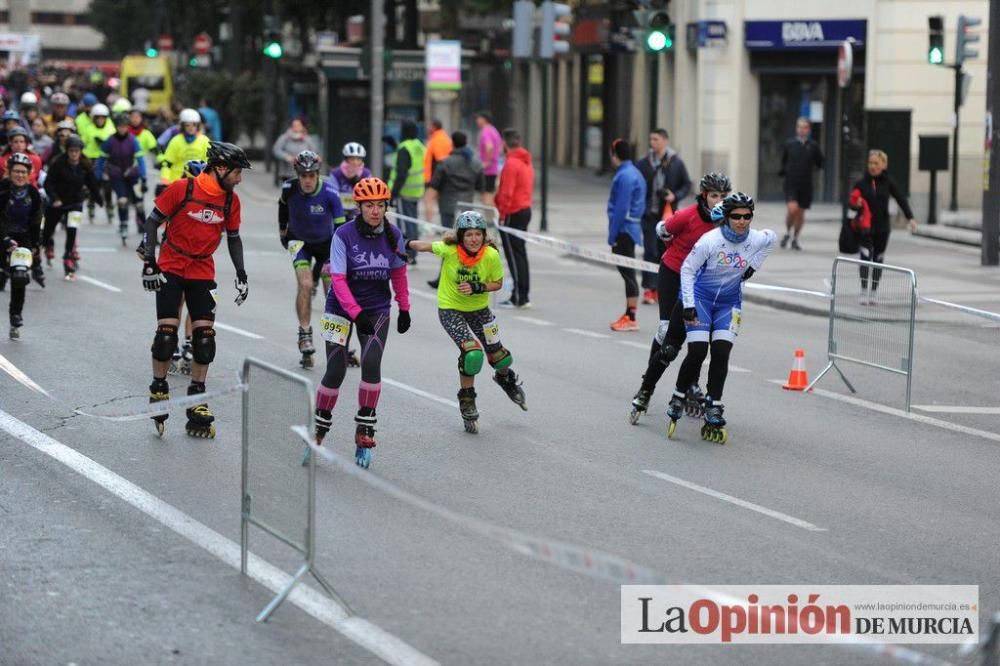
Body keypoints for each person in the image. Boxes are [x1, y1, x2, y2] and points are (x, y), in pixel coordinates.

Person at [140, 141, 251, 439]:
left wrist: (241, 273)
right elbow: (152, 224)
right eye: (237, 172)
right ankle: (159, 388)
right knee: (166, 336)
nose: (240, 179)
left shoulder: (230, 200)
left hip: (203, 269)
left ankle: (196, 400)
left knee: (204, 340)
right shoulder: (183, 189)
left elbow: (234, 238)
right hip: (172, 266)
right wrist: (150, 263)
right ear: (221, 168)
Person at [307, 177, 410, 469]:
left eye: (380, 205)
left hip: (377, 308)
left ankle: (365, 428)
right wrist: (355, 313)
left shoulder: (393, 235)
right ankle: (320, 427)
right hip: (340, 307)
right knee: (336, 369)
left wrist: (404, 308)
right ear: (359, 206)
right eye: (369, 205)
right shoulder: (343, 234)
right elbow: (337, 281)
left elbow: (399, 275)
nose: (375, 211)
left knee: (372, 363)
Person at [666, 192, 775, 443]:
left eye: (747, 216)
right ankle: (678, 394)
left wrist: (753, 267)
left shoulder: (756, 238)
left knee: (722, 351)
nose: (742, 221)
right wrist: (689, 305)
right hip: (702, 299)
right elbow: (687, 269)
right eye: (736, 216)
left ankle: (714, 404)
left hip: (728, 303)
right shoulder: (710, 240)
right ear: (726, 217)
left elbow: (772, 239)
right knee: (697, 351)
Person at [406, 210, 526, 433]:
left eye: (477, 234)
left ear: (483, 235)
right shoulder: (450, 250)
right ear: (461, 236)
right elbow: (423, 246)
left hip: (479, 309)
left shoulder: (490, 255)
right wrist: (400, 240)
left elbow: (497, 283)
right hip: (451, 309)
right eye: (469, 234)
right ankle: (468, 400)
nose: (473, 239)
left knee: (500, 357)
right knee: (472, 354)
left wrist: (478, 287)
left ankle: (505, 379)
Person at [628, 172, 731, 424]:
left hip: (698, 283)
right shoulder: (687, 215)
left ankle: (692, 383)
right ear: (704, 195)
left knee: (697, 339)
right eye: (714, 196)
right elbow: (661, 230)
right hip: (673, 272)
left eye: (722, 196)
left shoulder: (726, 221)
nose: (718, 201)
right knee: (667, 333)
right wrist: (672, 251)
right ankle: (647, 383)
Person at [278, 150, 345, 368]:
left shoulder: (330, 192)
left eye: (312, 175)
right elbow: (282, 207)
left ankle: (339, 341)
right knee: (305, 285)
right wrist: (282, 232)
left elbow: (341, 228)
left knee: (332, 291)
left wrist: (337, 257)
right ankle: (304, 332)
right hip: (299, 243)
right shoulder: (289, 188)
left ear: (318, 174)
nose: (307, 180)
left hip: (326, 244)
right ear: (298, 175)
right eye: (303, 176)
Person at [848, 149, 916, 304]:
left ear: (883, 165)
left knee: (878, 259)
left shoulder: (888, 182)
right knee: (865, 258)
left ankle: (873, 291)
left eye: (876, 163)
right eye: (870, 163)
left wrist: (910, 217)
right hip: (865, 227)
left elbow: (900, 198)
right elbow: (851, 202)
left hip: (882, 228)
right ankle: (864, 290)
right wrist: (855, 204)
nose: (872, 166)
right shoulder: (861, 182)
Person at [635, 128, 691, 305]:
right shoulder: (644, 163)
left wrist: (675, 196)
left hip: (668, 217)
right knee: (649, 250)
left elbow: (687, 184)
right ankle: (649, 288)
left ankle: (660, 289)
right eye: (651, 139)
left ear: (665, 141)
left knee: (664, 253)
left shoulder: (676, 163)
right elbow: (636, 185)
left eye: (656, 139)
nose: (653, 143)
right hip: (649, 214)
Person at [42, 134, 102, 278]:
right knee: (47, 231)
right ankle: (48, 243)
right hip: (58, 202)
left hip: (75, 202)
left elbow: (92, 183)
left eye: (77, 151)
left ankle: (68, 256)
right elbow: (48, 183)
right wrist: (55, 198)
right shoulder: (58, 163)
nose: (74, 154)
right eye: (71, 151)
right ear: (67, 151)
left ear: (81, 151)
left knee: (72, 230)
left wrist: (99, 199)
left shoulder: (85, 165)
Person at [0, 153, 45, 338]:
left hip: (23, 239)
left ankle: (15, 316)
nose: (19, 175)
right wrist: (4, 240)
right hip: (2, 236)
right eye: (16, 171)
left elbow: (37, 221)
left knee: (19, 276)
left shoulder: (33, 194)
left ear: (29, 174)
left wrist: (35, 245)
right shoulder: (2, 191)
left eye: (23, 172)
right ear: (9, 172)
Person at [607, 138, 646, 332]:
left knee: (628, 273)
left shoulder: (624, 176)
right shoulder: (635, 173)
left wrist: (612, 235)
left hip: (624, 230)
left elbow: (620, 208)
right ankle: (629, 314)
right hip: (631, 228)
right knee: (627, 273)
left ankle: (631, 316)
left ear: (615, 154)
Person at [495, 128, 534, 308]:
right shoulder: (526, 161)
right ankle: (522, 293)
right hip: (524, 209)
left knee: (513, 255)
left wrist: (502, 214)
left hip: (512, 211)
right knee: (520, 253)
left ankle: (518, 295)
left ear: (505, 144)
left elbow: (506, 192)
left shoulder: (511, 163)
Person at [96, 112, 147, 244]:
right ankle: (123, 225)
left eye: (125, 126)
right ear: (116, 127)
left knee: (139, 203)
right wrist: (98, 176)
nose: (122, 129)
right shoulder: (110, 141)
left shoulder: (133, 140)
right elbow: (101, 159)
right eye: (120, 126)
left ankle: (146, 227)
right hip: (117, 175)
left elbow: (140, 160)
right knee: (122, 200)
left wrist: (144, 177)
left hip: (132, 174)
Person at [779, 117, 824, 250]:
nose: (802, 130)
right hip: (791, 183)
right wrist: (784, 172)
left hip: (806, 184)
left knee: (800, 213)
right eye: (800, 127)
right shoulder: (789, 144)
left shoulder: (813, 146)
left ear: (809, 130)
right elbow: (783, 161)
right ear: (796, 128)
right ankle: (787, 232)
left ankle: (795, 238)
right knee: (792, 210)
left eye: (805, 127)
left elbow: (820, 163)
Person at [428, 131, 484, 230]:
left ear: (452, 144)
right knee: (464, 237)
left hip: (447, 206)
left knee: (447, 237)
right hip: (467, 206)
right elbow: (481, 187)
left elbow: (434, 185)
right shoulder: (476, 164)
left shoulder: (444, 163)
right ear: (466, 143)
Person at [387, 120, 425, 264]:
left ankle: (409, 253)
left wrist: (394, 193)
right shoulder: (419, 145)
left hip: (405, 190)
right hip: (417, 189)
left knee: (405, 223)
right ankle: (414, 253)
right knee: (412, 222)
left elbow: (402, 172)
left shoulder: (404, 148)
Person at [158, 108, 210, 197]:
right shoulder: (176, 141)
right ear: (182, 126)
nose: (191, 128)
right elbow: (167, 164)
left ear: (198, 126)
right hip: (176, 184)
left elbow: (209, 164)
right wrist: (164, 182)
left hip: (197, 184)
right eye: (187, 125)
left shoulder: (205, 141)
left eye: (194, 125)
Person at [80, 102, 114, 224]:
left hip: (105, 160)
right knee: (93, 185)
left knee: (107, 185)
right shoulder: (89, 129)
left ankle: (109, 206)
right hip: (91, 160)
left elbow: (113, 143)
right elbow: (83, 143)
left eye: (102, 118)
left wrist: (104, 143)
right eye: (97, 118)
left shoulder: (111, 128)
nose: (100, 120)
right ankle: (91, 206)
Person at [329, 142, 372, 220]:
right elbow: (332, 195)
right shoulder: (336, 174)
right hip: (339, 212)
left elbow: (369, 196)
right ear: (346, 159)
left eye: (358, 159)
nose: (355, 162)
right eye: (352, 159)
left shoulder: (366, 174)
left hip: (359, 214)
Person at [422, 119, 453, 222]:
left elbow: (439, 159)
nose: (428, 128)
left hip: (434, 176)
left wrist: (435, 178)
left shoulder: (437, 139)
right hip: (440, 176)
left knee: (428, 199)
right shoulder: (444, 137)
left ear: (434, 126)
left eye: (429, 126)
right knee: (438, 200)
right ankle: (439, 223)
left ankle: (429, 225)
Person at [475, 112, 503, 207]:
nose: (477, 121)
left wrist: (486, 162)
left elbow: (489, 147)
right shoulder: (494, 130)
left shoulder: (486, 131)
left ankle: (491, 220)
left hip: (488, 170)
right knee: (489, 195)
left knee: (487, 197)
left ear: (484, 119)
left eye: (478, 119)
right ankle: (491, 219)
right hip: (494, 168)